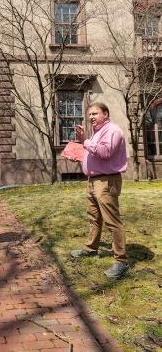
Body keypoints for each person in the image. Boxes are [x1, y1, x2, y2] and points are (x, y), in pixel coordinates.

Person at [71, 102, 129, 279]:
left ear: (105, 113)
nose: (91, 117)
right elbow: (95, 153)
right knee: (94, 217)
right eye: (89, 115)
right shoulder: (97, 133)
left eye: (95, 114)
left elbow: (105, 152)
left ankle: (121, 261)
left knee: (112, 221)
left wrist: (84, 141)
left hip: (106, 181)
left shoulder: (112, 130)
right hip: (93, 181)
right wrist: (79, 155)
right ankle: (91, 248)